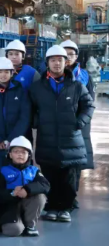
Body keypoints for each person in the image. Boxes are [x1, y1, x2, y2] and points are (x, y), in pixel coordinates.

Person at [29, 45, 93, 223]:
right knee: (50, 173)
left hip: (71, 139)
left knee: (69, 176)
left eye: (60, 60)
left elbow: (89, 105)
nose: (57, 63)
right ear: (47, 63)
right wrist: (37, 122)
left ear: (66, 63)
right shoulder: (37, 88)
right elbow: (30, 108)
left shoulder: (76, 86)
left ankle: (65, 207)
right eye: (53, 60)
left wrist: (79, 122)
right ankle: (52, 207)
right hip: (47, 138)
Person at [0, 57, 30, 169]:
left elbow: (24, 117)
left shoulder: (21, 91)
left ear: (12, 73)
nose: (3, 75)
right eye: (0, 72)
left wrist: (12, 139)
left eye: (6, 72)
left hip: (17, 142)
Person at [61, 39, 95, 207]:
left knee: (75, 162)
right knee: (57, 162)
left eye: (71, 54)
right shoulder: (51, 75)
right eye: (64, 54)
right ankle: (57, 197)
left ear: (76, 56)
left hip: (77, 126)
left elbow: (90, 102)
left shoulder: (84, 76)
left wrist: (80, 121)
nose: (68, 57)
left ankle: (71, 196)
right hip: (58, 125)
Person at [0, 136, 50, 237]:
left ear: (29, 155)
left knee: (40, 196)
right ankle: (14, 223)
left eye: (24, 152)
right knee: (13, 231)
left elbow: (45, 185)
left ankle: (30, 225)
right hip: (10, 207)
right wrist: (12, 193)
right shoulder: (2, 171)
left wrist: (27, 190)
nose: (20, 154)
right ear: (10, 154)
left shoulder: (34, 171)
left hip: (28, 204)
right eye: (16, 152)